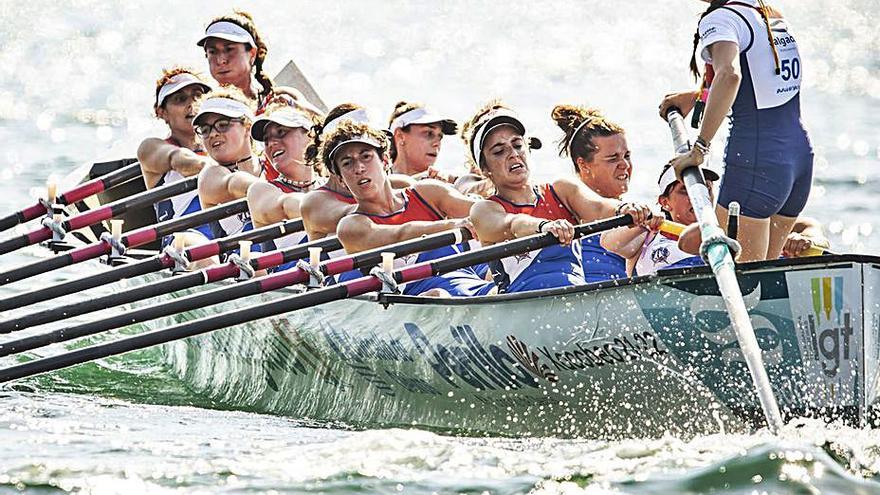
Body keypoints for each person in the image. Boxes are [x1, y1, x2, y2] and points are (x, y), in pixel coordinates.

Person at [660, 0, 812, 262]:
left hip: (755, 165)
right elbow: (762, 83)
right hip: (798, 160)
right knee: (765, 280)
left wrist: (699, 150)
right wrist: (696, 98)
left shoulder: (722, 18)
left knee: (746, 287)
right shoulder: (769, 14)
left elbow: (730, 75)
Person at [466, 102, 652, 293]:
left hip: (574, 299)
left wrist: (625, 209)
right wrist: (544, 227)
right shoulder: (484, 210)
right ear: (485, 169)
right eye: (499, 151)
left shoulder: (561, 190)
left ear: (528, 150)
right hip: (520, 304)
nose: (513, 154)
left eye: (517, 145)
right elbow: (512, 225)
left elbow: (599, 208)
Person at [322, 120, 493, 297]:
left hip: (467, 284)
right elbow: (400, 234)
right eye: (347, 163)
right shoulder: (350, 227)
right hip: (419, 299)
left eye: (366, 156)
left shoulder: (428, 192)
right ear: (341, 179)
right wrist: (453, 226)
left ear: (385, 160)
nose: (359, 168)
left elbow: (488, 213)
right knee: (438, 294)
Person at [551, 105, 631, 283]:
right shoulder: (560, 209)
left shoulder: (639, 215)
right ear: (584, 165)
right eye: (613, 158)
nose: (625, 164)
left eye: (627, 155)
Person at [136, 67, 215, 244]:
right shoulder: (152, 148)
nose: (192, 104)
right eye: (180, 99)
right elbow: (183, 163)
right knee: (200, 248)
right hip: (185, 239)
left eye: (197, 95)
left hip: (229, 233)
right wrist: (228, 171)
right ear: (161, 112)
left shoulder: (225, 146)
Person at [601, 163, 720, 275]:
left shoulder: (725, 236)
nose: (698, 197)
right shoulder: (649, 235)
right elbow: (608, 242)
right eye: (685, 190)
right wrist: (642, 221)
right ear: (665, 202)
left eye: (706, 188)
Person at [246, 101, 323, 257]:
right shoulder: (261, 190)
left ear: (310, 136)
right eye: (266, 140)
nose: (272, 143)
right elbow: (290, 207)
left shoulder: (331, 185)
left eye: (281, 132)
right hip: (291, 279)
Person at [193, 87, 263, 239]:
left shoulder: (273, 165)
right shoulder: (210, 176)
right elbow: (254, 189)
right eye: (205, 130)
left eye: (223, 125)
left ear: (247, 127)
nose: (213, 134)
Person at [387, 101, 458, 182]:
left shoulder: (449, 185)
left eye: (440, 136)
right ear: (400, 136)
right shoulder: (375, 183)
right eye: (429, 133)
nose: (437, 143)